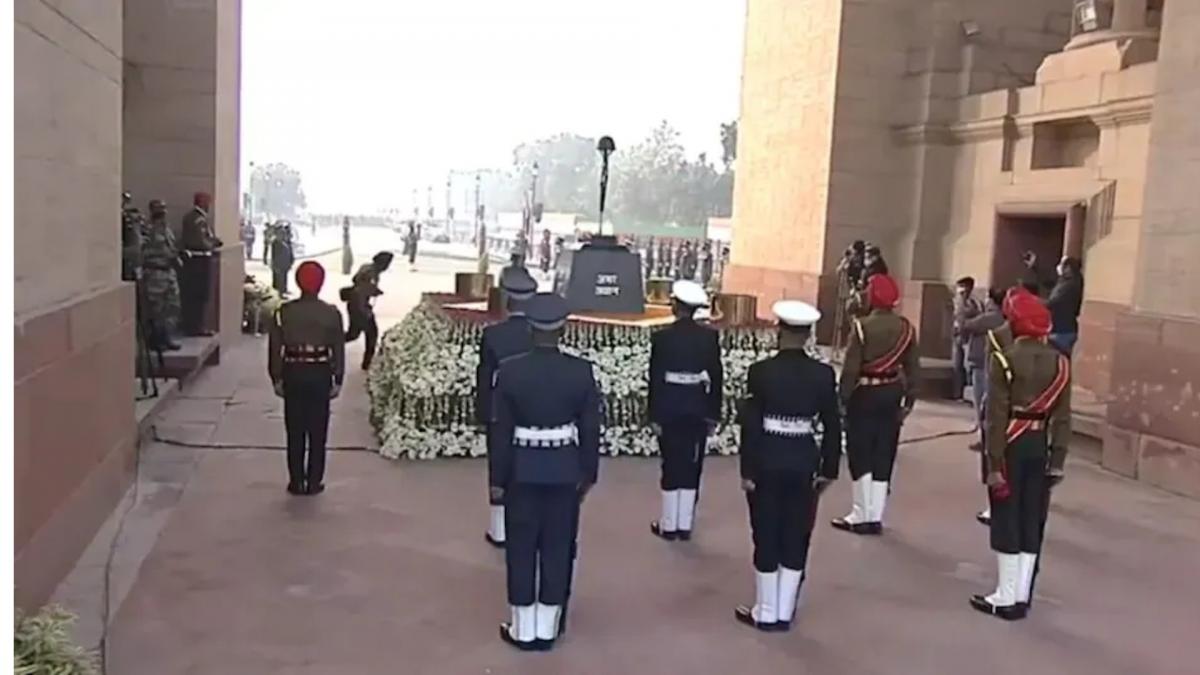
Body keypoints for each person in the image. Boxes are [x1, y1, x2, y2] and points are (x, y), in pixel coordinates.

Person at [489, 293, 601, 651]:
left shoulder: (510, 370)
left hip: (521, 469)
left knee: (521, 548)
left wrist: (496, 480)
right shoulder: (580, 371)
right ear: (563, 329)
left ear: (530, 329)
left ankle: (523, 629)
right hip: (564, 469)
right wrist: (588, 473)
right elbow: (590, 427)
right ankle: (547, 628)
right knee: (558, 547)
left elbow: (500, 431)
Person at [734, 300, 841, 631]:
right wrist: (829, 468)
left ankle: (765, 610)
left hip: (767, 458)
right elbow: (833, 424)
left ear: (779, 332)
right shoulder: (823, 374)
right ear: (808, 335)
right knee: (797, 532)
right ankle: (784, 609)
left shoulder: (761, 371)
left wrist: (747, 470)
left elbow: (751, 425)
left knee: (766, 531)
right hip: (803, 460)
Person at [970, 288, 1071, 620]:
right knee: (1031, 518)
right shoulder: (1060, 362)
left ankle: (1005, 595)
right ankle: (1022, 594)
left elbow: (996, 417)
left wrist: (993, 463)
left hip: (1011, 444)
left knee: (1006, 517)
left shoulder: (1005, 359)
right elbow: (1062, 417)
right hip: (1040, 444)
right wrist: (1058, 460)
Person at [832, 273, 919, 535]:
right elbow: (913, 369)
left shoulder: (862, 327)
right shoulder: (907, 328)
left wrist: (842, 399)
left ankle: (860, 514)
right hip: (892, 394)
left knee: (861, 452)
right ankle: (876, 515)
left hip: (864, 394)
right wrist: (909, 401)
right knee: (884, 451)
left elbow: (851, 369)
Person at [648, 280, 723, 541]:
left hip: (669, 406)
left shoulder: (662, 337)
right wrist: (713, 414)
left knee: (670, 463)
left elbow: (655, 378)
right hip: (697, 407)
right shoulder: (709, 337)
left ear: (675, 306)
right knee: (692, 464)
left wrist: (654, 415)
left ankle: (669, 525)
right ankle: (684, 523)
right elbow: (716, 378)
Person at [268, 261, 346, 496]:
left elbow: (275, 349)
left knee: (295, 429)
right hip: (320, 372)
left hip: (293, 371)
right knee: (318, 430)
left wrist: (276, 377)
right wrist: (338, 378)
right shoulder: (331, 313)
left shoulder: (284, 312)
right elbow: (338, 349)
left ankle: (296, 481)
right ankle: (314, 481)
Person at [476, 267, 538, 548]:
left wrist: (483, 413)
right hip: (533, 409)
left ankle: (499, 528)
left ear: (506, 299)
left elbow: (485, 378)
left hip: (499, 411)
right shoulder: (539, 333)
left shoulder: (493, 335)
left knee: (500, 464)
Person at [141, 199, 182, 351]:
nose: (162, 213)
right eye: (159, 210)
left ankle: (167, 337)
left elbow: (171, 247)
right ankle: (155, 340)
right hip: (155, 274)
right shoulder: (147, 230)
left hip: (168, 272)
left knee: (172, 307)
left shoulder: (167, 229)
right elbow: (143, 251)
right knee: (156, 310)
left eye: (164, 209)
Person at [180, 192, 222, 336]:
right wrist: (213, 243)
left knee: (198, 295)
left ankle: (196, 325)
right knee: (198, 295)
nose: (209, 205)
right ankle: (195, 327)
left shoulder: (195, 217)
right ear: (202, 202)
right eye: (207, 202)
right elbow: (200, 241)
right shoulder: (197, 219)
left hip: (197, 260)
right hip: (198, 260)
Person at [344, 251, 393, 370]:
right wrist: (366, 311)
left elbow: (356, 281)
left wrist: (373, 290)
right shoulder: (371, 274)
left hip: (354, 304)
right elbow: (361, 291)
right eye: (387, 264)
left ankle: (332, 342)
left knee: (353, 334)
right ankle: (367, 364)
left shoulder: (367, 267)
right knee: (371, 334)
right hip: (360, 306)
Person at [1046, 257, 1083, 357]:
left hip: (1063, 329)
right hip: (1065, 327)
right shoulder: (1067, 282)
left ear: (1069, 268)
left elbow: (1054, 302)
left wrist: (1038, 303)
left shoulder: (1070, 285)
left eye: (1064, 266)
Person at [951, 277, 982, 401]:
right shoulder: (957, 299)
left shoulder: (974, 302)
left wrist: (964, 304)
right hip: (957, 335)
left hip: (968, 337)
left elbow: (976, 315)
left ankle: (968, 393)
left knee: (967, 366)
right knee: (957, 365)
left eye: (963, 287)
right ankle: (957, 393)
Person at [270, 222, 295, 296]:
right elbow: (274, 255)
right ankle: (280, 293)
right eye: (281, 233)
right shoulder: (276, 242)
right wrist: (275, 265)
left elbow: (289, 252)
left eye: (284, 233)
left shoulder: (285, 242)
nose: (283, 235)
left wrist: (290, 261)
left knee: (284, 278)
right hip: (279, 264)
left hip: (285, 264)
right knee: (279, 279)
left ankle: (284, 290)